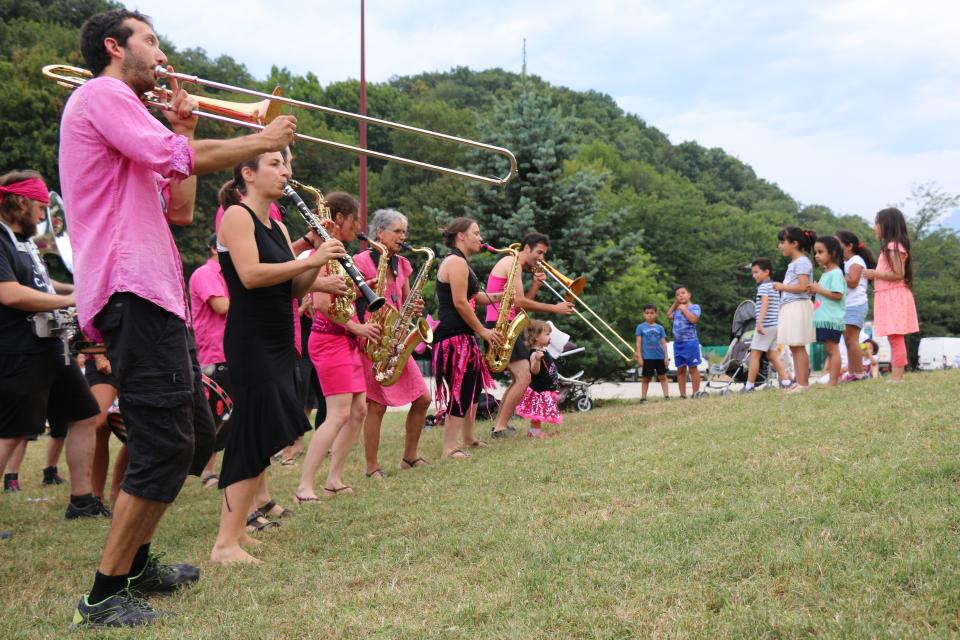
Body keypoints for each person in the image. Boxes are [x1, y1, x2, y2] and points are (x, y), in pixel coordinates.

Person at [60, 9, 299, 627]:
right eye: (151, 40)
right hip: (131, 292)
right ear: (115, 47)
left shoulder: (130, 117)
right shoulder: (102, 93)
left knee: (189, 431)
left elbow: (182, 208)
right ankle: (105, 594)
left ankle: (138, 565)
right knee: (165, 441)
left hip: (156, 296)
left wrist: (186, 126)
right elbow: (178, 157)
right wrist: (261, 140)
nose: (161, 53)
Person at [211, 153, 345, 564]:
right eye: (275, 163)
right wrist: (311, 260)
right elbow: (250, 276)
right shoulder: (236, 216)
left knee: (265, 432)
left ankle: (237, 534)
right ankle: (225, 544)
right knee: (251, 433)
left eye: (286, 164)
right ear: (247, 174)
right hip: (250, 338)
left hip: (278, 338)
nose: (286, 171)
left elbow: (292, 288)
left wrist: (316, 262)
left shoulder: (279, 225)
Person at [0, 170, 103, 530]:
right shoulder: (0, 237)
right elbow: (8, 293)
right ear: (22, 203)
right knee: (10, 431)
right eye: (41, 209)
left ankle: (82, 500)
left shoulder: (24, 241)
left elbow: (43, 283)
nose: (44, 217)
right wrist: (69, 299)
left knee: (85, 415)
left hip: (50, 347)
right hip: (19, 348)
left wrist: (75, 287)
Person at [295, 193, 380, 501]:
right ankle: (304, 485)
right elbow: (319, 303)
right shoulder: (324, 252)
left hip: (345, 340)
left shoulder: (338, 254)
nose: (357, 226)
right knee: (338, 413)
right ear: (340, 219)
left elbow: (337, 298)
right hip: (330, 340)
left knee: (358, 410)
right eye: (354, 219)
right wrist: (357, 326)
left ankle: (334, 478)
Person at [354, 209, 431, 477]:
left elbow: (407, 299)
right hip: (374, 338)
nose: (403, 236)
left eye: (404, 232)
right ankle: (372, 466)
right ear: (380, 233)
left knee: (423, 398)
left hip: (396, 338)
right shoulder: (361, 261)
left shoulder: (403, 264)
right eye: (397, 231)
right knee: (377, 405)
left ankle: (410, 457)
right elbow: (352, 297)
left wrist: (416, 305)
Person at [484, 233, 573, 438]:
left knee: (519, 378)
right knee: (524, 377)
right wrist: (555, 308)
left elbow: (520, 310)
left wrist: (535, 286)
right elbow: (520, 303)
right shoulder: (512, 262)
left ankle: (500, 425)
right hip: (501, 325)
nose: (541, 258)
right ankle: (500, 428)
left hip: (507, 323)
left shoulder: (516, 266)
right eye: (539, 252)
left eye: (544, 253)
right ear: (526, 249)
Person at [433, 218, 502, 458]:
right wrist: (482, 330)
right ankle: (449, 448)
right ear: (461, 236)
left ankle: (469, 438)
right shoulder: (456, 262)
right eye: (476, 232)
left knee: (473, 389)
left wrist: (503, 296)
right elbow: (461, 303)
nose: (480, 238)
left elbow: (476, 297)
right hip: (454, 337)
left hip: (462, 335)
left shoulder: (462, 263)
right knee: (460, 390)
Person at [189, 233, 229, 488]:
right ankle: (207, 470)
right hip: (213, 355)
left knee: (228, 417)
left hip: (229, 352)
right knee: (213, 416)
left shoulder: (226, 276)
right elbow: (222, 306)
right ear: (214, 249)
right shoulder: (205, 274)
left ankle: (215, 468)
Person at [863, 208, 919, 382]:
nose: (874, 227)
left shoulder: (892, 247)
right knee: (894, 337)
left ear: (887, 225)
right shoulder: (891, 247)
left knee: (895, 338)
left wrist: (874, 273)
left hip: (893, 296)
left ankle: (897, 377)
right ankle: (897, 375)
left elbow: (897, 274)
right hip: (890, 295)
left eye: (876, 223)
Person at [773, 227, 817, 393]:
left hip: (798, 306)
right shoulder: (795, 263)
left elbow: (803, 286)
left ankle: (803, 384)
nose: (780, 246)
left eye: (782, 242)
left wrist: (781, 286)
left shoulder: (802, 262)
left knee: (798, 346)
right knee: (794, 346)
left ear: (794, 243)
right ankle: (799, 382)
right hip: (791, 306)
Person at [744, 258, 791, 391]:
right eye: (753, 273)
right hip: (776, 325)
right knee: (771, 355)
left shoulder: (764, 287)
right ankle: (787, 381)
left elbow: (764, 304)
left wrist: (759, 322)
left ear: (766, 272)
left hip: (766, 325)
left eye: (756, 272)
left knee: (755, 355)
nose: (754, 276)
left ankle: (749, 386)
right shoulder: (775, 286)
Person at [836, 230, 876, 382]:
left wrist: (836, 276)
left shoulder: (856, 260)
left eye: (838, 243)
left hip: (856, 305)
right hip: (849, 306)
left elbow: (852, 282)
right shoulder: (847, 262)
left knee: (852, 340)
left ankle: (859, 373)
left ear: (849, 245)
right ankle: (854, 372)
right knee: (848, 340)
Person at [808, 236, 847, 386]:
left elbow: (837, 295)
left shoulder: (836, 273)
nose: (817, 255)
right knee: (829, 350)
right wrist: (815, 291)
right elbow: (824, 294)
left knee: (833, 350)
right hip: (824, 317)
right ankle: (832, 380)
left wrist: (819, 289)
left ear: (832, 253)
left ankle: (833, 381)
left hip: (831, 319)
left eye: (820, 252)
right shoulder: (826, 273)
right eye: (815, 252)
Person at [515, 320, 562, 437]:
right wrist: (536, 360)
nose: (549, 337)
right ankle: (535, 433)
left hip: (545, 388)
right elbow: (534, 370)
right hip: (539, 390)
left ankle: (533, 432)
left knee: (539, 412)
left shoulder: (542, 350)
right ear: (536, 337)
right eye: (546, 334)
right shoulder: (534, 353)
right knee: (537, 412)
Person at [667, 286, 703, 398]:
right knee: (680, 369)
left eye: (683, 293)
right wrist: (675, 304)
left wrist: (684, 309)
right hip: (678, 343)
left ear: (689, 295)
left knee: (693, 367)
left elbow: (693, 319)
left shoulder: (694, 307)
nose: (680, 296)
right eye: (677, 295)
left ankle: (695, 393)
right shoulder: (677, 309)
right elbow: (668, 315)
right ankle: (682, 394)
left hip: (690, 342)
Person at [634, 303, 670, 402]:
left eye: (652, 313)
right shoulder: (640, 327)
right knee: (646, 378)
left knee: (663, 376)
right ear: (643, 314)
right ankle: (643, 398)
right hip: (647, 357)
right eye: (647, 313)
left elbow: (663, 343)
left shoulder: (660, 328)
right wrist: (639, 356)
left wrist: (666, 357)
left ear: (656, 314)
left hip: (659, 356)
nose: (649, 315)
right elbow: (638, 342)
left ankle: (667, 396)